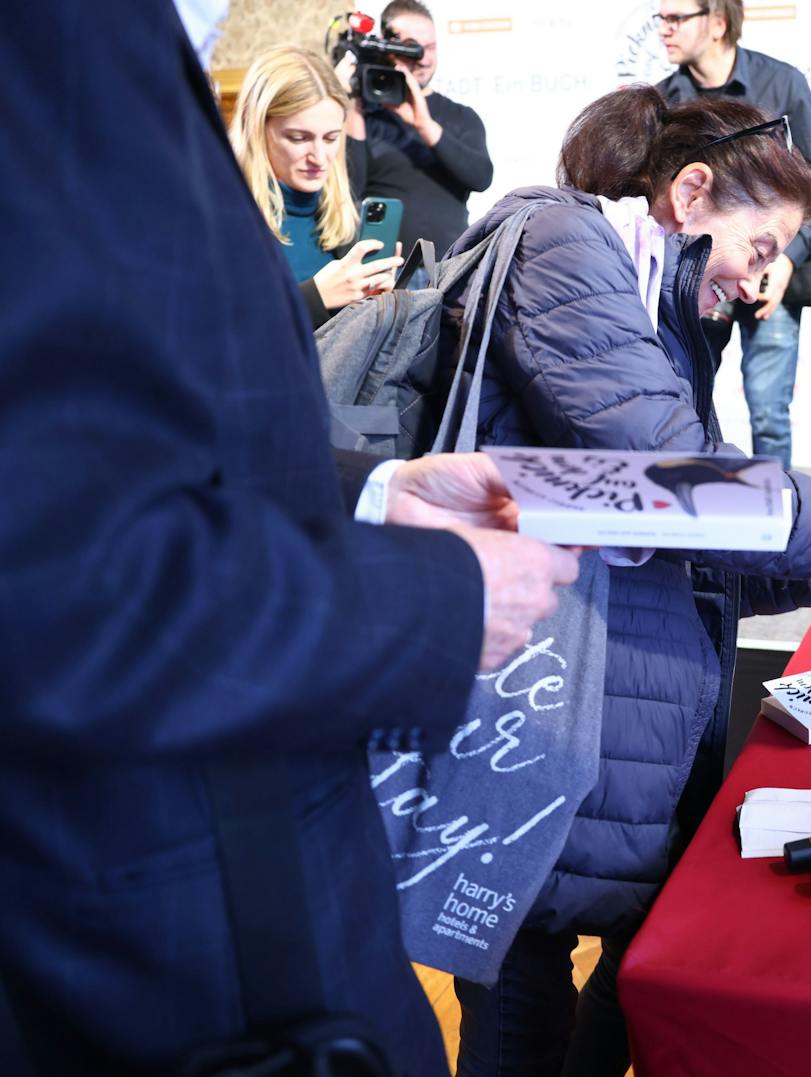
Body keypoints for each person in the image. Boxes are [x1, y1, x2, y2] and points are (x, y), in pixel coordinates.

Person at [0, 6, 578, 1072]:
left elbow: (138, 442)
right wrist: (439, 601)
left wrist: (373, 493)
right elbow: (53, 576)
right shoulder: (51, 48)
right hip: (164, 935)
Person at [447, 86, 811, 1077]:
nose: (756, 284)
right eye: (763, 248)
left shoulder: (649, 289)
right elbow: (673, 480)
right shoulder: (569, 247)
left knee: (628, 949)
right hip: (550, 685)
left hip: (611, 677)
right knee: (525, 972)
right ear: (690, 192)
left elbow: (654, 520)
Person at [655, 0, 811, 470]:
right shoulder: (662, 100)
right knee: (684, 401)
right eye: (661, 19)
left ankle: (778, 527)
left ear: (717, 23)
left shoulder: (783, 82)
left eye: (675, 19)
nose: (664, 30)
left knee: (770, 413)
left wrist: (785, 257)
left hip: (772, 276)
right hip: (697, 276)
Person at [230, 44, 405, 330]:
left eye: (331, 138)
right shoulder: (221, 216)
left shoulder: (339, 213)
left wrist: (371, 300)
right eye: (299, 138)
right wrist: (316, 297)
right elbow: (212, 333)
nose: (320, 158)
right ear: (257, 129)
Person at [359, 0, 494, 253]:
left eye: (430, 48)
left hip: (447, 269)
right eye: (412, 49)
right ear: (386, 46)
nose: (423, 59)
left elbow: (481, 177)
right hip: (382, 271)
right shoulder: (363, 114)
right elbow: (346, 187)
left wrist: (425, 125)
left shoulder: (461, 116)